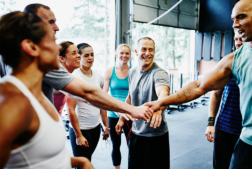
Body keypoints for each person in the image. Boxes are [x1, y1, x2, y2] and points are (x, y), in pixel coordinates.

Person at [145, 0, 252, 168]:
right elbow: (199, 86)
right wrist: (162, 101)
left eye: (241, 17)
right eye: (233, 19)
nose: (235, 24)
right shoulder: (234, 60)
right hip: (247, 145)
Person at [20, 3, 153, 121]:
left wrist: (117, 108)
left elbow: (81, 95)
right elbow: (87, 93)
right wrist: (131, 109)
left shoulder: (16, 52)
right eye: (50, 22)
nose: (57, 27)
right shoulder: (39, 56)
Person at [0, 11, 93, 169]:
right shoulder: (12, 103)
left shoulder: (38, 95)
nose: (58, 48)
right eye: (53, 40)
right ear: (32, 47)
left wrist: (76, 161)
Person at [115, 37, 170, 169]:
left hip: (155, 134)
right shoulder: (132, 72)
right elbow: (130, 97)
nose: (147, 53)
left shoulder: (159, 73)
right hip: (136, 132)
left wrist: (159, 108)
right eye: (144, 49)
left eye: (151, 50)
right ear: (136, 51)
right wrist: (122, 118)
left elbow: (163, 93)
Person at [205, 32, 244, 169]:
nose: (238, 42)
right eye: (236, 39)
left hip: (248, 132)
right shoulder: (227, 63)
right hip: (224, 128)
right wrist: (211, 123)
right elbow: (215, 94)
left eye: (241, 39)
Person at [67, 43, 110, 165]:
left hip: (95, 128)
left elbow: (102, 104)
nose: (90, 58)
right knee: (84, 164)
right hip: (81, 129)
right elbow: (70, 109)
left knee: (88, 160)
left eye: (92, 54)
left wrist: (106, 126)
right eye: (86, 55)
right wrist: (78, 135)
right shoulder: (74, 77)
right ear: (79, 57)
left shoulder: (99, 77)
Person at [103, 44, 132, 169]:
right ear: (116, 54)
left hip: (129, 113)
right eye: (121, 53)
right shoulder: (109, 71)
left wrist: (125, 112)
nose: (124, 56)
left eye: (127, 53)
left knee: (132, 145)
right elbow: (104, 94)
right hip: (113, 113)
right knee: (116, 145)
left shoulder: (133, 72)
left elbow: (133, 94)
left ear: (130, 55)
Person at [53, 41, 81, 115]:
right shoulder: (59, 76)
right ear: (62, 59)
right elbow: (85, 94)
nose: (79, 55)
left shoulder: (68, 75)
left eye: (78, 52)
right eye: (73, 53)